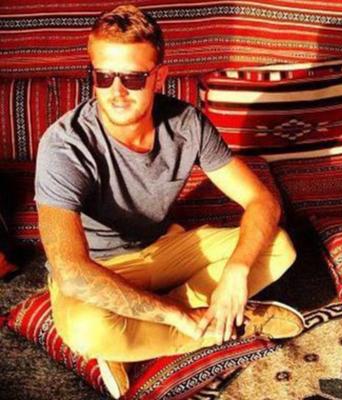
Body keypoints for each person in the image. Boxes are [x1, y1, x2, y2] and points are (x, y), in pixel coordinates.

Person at [35, 5, 304, 399]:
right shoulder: (64, 145)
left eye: (132, 77)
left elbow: (260, 200)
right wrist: (176, 313)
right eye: (103, 76)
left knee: (278, 246)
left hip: (163, 248)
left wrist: (237, 271)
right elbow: (71, 271)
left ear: (159, 76)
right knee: (87, 330)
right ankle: (223, 325)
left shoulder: (187, 123)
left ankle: (137, 339)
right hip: (98, 269)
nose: (116, 92)